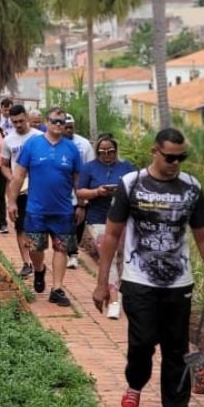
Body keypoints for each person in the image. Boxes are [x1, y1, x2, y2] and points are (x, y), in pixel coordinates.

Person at [93, 128, 204, 407]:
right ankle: (135, 383)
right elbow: (111, 234)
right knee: (143, 342)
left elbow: (203, 236)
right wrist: (102, 282)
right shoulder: (131, 184)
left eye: (181, 157)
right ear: (154, 151)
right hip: (138, 279)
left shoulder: (191, 188)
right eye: (170, 157)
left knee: (177, 349)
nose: (175, 162)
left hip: (179, 282)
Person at [8, 106, 81, 307]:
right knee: (35, 248)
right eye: (54, 121)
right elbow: (18, 176)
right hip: (36, 209)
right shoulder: (33, 144)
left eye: (62, 121)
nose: (58, 125)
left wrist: (82, 205)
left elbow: (78, 181)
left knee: (61, 248)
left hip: (63, 210)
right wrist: (12, 202)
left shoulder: (72, 148)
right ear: (47, 122)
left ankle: (57, 289)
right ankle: (39, 269)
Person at [76, 135, 135, 319]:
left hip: (124, 219)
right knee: (107, 258)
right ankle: (115, 301)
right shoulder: (90, 168)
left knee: (122, 259)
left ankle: (116, 294)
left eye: (111, 152)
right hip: (99, 218)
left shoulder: (127, 167)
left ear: (116, 151)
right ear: (97, 152)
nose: (107, 155)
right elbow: (80, 191)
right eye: (103, 152)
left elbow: (138, 189)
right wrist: (97, 192)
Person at [0, 104, 42, 278]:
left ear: (27, 118)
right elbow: (3, 165)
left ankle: (39, 261)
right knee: (20, 227)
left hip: (39, 189)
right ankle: (26, 263)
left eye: (21, 121)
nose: (18, 124)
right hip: (19, 190)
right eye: (14, 121)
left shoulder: (40, 137)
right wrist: (12, 179)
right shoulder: (8, 140)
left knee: (38, 227)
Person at [62, 114, 95, 269]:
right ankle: (69, 252)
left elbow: (90, 166)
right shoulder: (55, 144)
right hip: (61, 193)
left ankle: (73, 254)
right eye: (65, 127)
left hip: (81, 191)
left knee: (78, 224)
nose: (68, 130)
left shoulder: (84, 144)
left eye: (71, 127)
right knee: (66, 224)